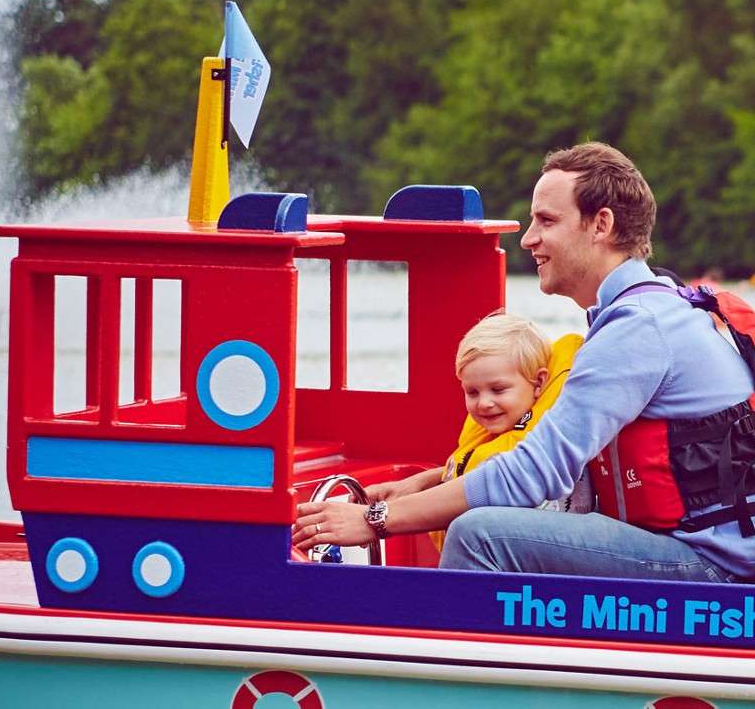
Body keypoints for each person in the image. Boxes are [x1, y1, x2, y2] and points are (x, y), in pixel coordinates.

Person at [295, 142, 755, 583]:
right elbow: (557, 459)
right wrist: (424, 484)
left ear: (601, 225)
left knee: (481, 537)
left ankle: (458, 664)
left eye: (546, 221)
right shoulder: (655, 309)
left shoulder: (637, 330)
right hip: (696, 547)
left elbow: (537, 472)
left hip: (711, 564)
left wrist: (378, 520)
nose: (529, 238)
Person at [370, 314, 588, 550]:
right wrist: (418, 482)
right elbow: (482, 471)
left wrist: (373, 518)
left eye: (498, 389)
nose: (484, 403)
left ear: (539, 383)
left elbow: (503, 475)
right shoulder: (501, 435)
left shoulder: (549, 445)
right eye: (472, 392)